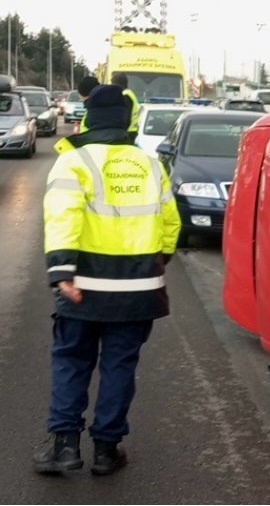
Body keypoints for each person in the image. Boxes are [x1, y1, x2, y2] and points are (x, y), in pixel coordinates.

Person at [35, 84, 181, 476]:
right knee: (119, 366)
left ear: (88, 119)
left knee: (71, 361)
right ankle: (106, 449)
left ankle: (65, 446)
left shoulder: (74, 161)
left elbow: (63, 216)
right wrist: (158, 258)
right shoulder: (150, 164)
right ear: (124, 120)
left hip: (83, 286)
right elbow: (171, 221)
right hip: (138, 289)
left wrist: (61, 270)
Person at [111, 72, 140, 144]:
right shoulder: (128, 94)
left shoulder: (125, 95)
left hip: (127, 132)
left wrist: (120, 132)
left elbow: (125, 117)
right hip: (130, 131)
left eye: (112, 82)